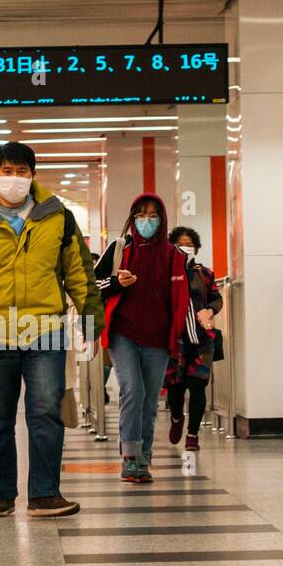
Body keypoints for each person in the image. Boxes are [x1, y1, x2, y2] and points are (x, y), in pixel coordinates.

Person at [0, 141, 103, 517]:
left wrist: (91, 321)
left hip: (47, 329)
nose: (15, 179)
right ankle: (2, 494)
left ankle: (44, 494)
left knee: (45, 410)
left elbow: (80, 272)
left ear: (33, 176)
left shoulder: (58, 217)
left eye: (22, 172)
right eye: (7, 172)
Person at [94, 193, 190, 484]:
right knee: (132, 390)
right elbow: (91, 285)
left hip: (158, 339)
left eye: (152, 215)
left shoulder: (173, 255)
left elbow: (179, 299)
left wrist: (179, 341)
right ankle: (130, 458)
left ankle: (144, 457)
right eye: (140, 214)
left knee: (149, 402)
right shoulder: (121, 248)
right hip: (124, 334)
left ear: (162, 219)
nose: (146, 220)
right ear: (131, 217)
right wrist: (114, 282)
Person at [164, 226, 223, 453]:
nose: (185, 248)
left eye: (189, 244)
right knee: (176, 389)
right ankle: (177, 418)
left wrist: (209, 310)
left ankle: (193, 434)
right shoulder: (166, 273)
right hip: (175, 342)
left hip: (201, 341)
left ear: (196, 248)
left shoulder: (204, 274)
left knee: (199, 388)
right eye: (181, 244)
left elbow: (216, 299)